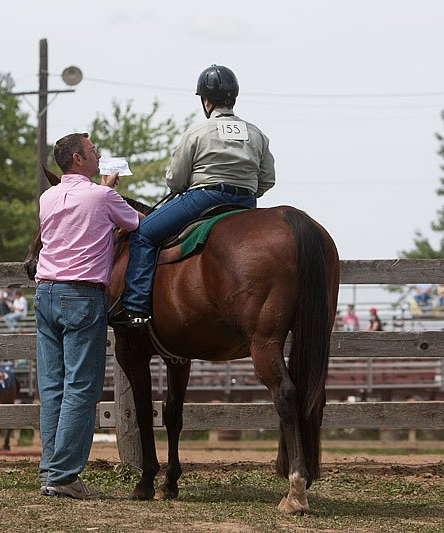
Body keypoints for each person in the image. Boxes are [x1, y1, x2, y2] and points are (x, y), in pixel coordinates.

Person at [112, 64, 276, 327]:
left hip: (204, 199)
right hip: (245, 202)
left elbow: (175, 180)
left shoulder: (197, 132)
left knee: (142, 234)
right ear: (233, 98)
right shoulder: (256, 133)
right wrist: (245, 191)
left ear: (206, 101)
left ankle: (135, 307)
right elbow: (267, 178)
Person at [35, 133, 139, 498]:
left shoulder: (48, 197)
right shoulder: (102, 196)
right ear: (79, 159)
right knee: (81, 386)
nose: (98, 156)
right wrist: (110, 190)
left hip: (45, 292)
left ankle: (52, 469)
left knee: (53, 387)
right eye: (93, 152)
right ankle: (63, 476)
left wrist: (104, 188)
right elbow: (134, 224)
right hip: (81, 296)